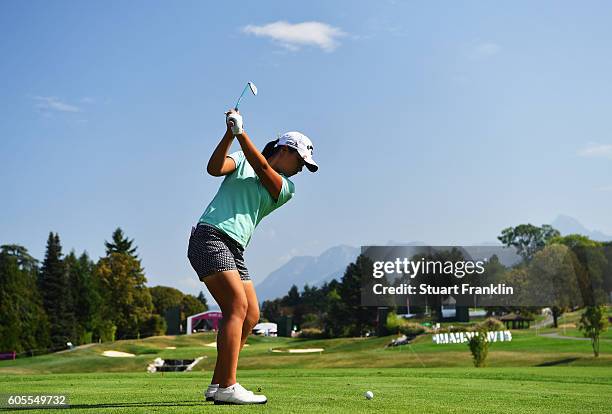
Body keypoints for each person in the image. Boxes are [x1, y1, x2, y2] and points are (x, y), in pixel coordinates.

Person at [187, 109, 318, 405]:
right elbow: (214, 168)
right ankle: (228, 387)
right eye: (300, 161)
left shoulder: (286, 187)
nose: (301, 169)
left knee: (251, 315)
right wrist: (229, 134)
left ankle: (219, 382)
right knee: (237, 306)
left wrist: (241, 133)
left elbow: (261, 168)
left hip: (235, 248)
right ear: (285, 150)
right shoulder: (242, 159)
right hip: (210, 236)